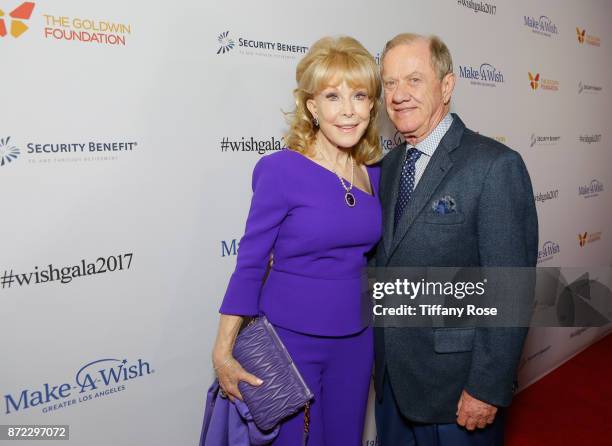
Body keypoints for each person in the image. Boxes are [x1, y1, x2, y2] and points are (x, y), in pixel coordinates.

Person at [211, 36, 382, 445]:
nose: (347, 110)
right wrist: (223, 350)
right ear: (312, 107)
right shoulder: (281, 170)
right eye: (332, 96)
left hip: (357, 341)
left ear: (372, 105)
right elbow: (250, 264)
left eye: (359, 95)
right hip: (289, 343)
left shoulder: (374, 173)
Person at [373, 33, 538, 445]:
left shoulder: (494, 165)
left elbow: (509, 289)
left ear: (447, 86)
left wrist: (486, 386)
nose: (398, 95)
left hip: (458, 391)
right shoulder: (389, 167)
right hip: (394, 383)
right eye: (389, 83)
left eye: (413, 80)